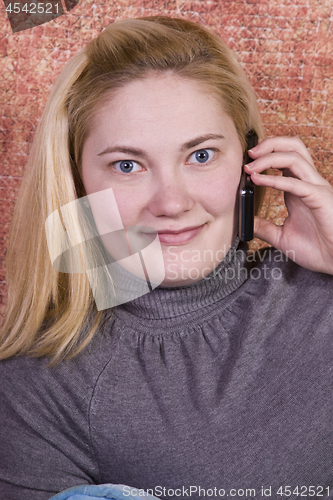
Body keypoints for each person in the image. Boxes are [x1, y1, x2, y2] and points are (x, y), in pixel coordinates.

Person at [0, 15, 333, 500]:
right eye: (128, 165)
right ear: (76, 183)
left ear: (250, 161)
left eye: (200, 155)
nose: (172, 203)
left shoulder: (321, 285)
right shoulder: (37, 390)